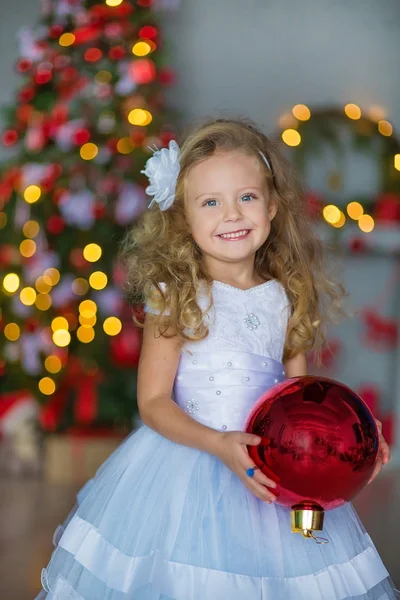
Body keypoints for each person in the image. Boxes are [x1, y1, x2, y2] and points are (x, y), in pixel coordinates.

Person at [37, 118, 397, 600]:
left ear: (272, 206)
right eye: (211, 202)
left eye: (246, 197)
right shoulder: (179, 296)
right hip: (190, 466)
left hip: (268, 472)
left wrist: (351, 440)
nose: (232, 214)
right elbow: (154, 402)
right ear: (184, 219)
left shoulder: (283, 296)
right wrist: (219, 443)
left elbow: (303, 405)